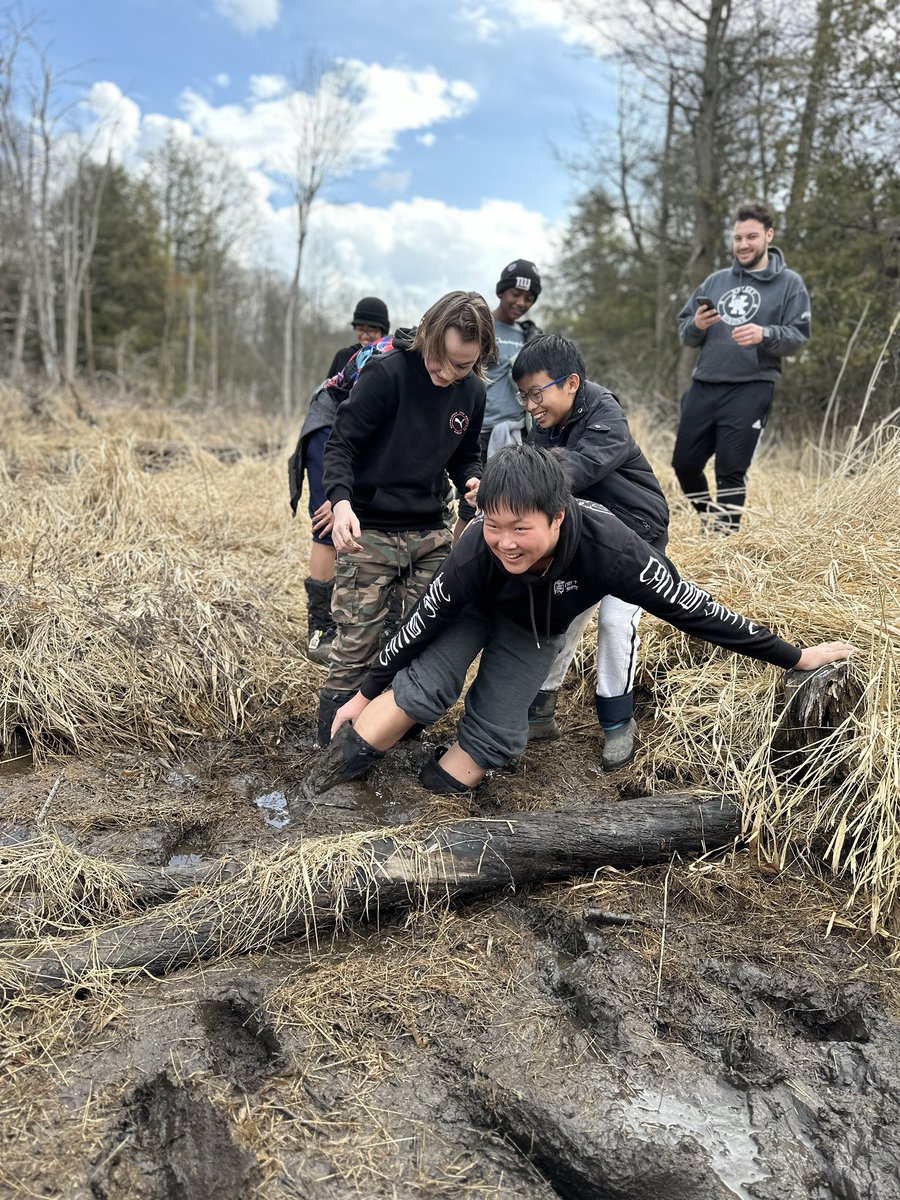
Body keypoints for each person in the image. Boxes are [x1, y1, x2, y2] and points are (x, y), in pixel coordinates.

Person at [305, 443, 854, 799]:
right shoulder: (477, 548)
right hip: (473, 609)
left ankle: (423, 803)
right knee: (425, 689)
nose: (506, 541)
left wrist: (795, 656)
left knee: (492, 740)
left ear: (558, 516)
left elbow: (696, 610)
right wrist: (362, 693)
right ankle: (327, 787)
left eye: (521, 528)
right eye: (495, 525)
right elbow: (422, 623)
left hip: (536, 627)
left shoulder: (611, 551)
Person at [316, 290, 497, 744]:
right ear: (428, 336)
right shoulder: (387, 373)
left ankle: (394, 734)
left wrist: (473, 480)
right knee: (357, 642)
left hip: (429, 531)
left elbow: (465, 456)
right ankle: (331, 743)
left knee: (419, 636)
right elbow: (342, 445)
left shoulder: (472, 391)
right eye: (441, 361)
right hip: (368, 529)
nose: (446, 374)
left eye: (461, 366)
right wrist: (341, 504)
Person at [511, 333, 669, 769]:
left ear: (571, 383)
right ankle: (540, 710)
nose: (530, 406)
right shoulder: (540, 426)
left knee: (617, 623)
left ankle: (618, 722)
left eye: (537, 393)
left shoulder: (604, 411)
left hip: (635, 536)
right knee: (560, 610)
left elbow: (577, 468)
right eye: (523, 396)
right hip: (581, 536)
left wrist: (516, 481)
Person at [672, 202, 811, 532]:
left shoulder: (789, 283)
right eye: (737, 238)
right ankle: (708, 519)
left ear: (768, 235)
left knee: (730, 469)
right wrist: (698, 325)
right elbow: (685, 333)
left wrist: (766, 333)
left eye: (751, 236)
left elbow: (798, 336)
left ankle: (726, 536)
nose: (743, 244)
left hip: (752, 386)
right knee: (684, 463)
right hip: (705, 385)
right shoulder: (716, 281)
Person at [288, 297, 391, 663]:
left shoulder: (394, 362)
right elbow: (344, 426)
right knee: (326, 523)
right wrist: (337, 492)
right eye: (360, 328)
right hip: (328, 433)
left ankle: (350, 618)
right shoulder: (356, 358)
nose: (365, 334)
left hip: (356, 436)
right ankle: (319, 629)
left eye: (373, 329)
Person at [480, 258, 543, 460]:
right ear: (501, 292)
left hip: (519, 432)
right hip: (482, 431)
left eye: (529, 298)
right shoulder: (480, 325)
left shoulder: (529, 335)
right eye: (515, 294)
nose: (521, 303)